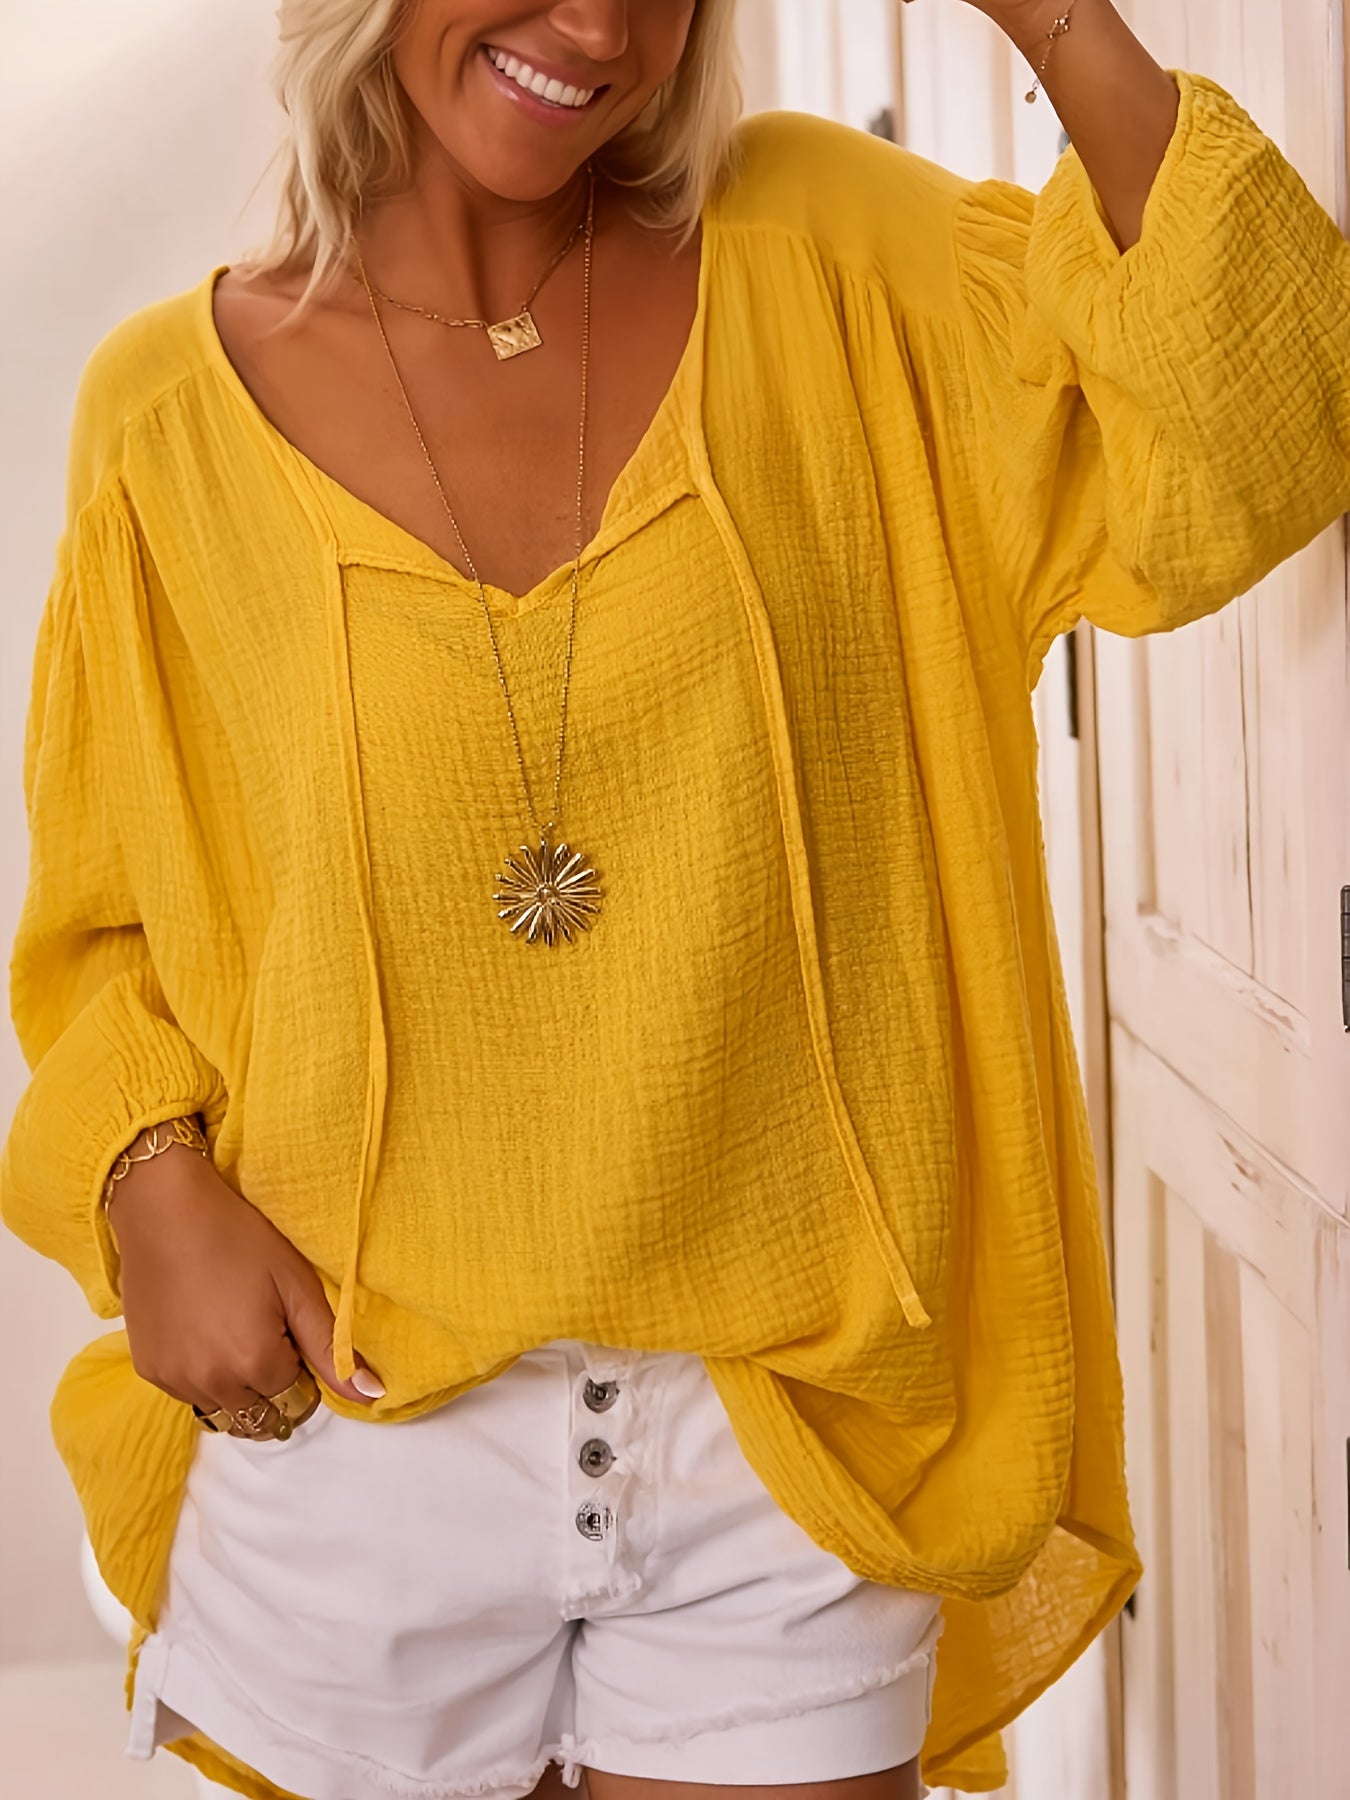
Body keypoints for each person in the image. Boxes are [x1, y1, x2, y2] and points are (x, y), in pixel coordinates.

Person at [4, 0, 1348, 1795]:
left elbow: (1258, 427)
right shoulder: (168, 415)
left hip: (789, 1438)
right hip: (351, 1432)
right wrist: (144, 1175)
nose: (597, 26)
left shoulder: (826, 256)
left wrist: (1048, 16)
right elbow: (100, 917)